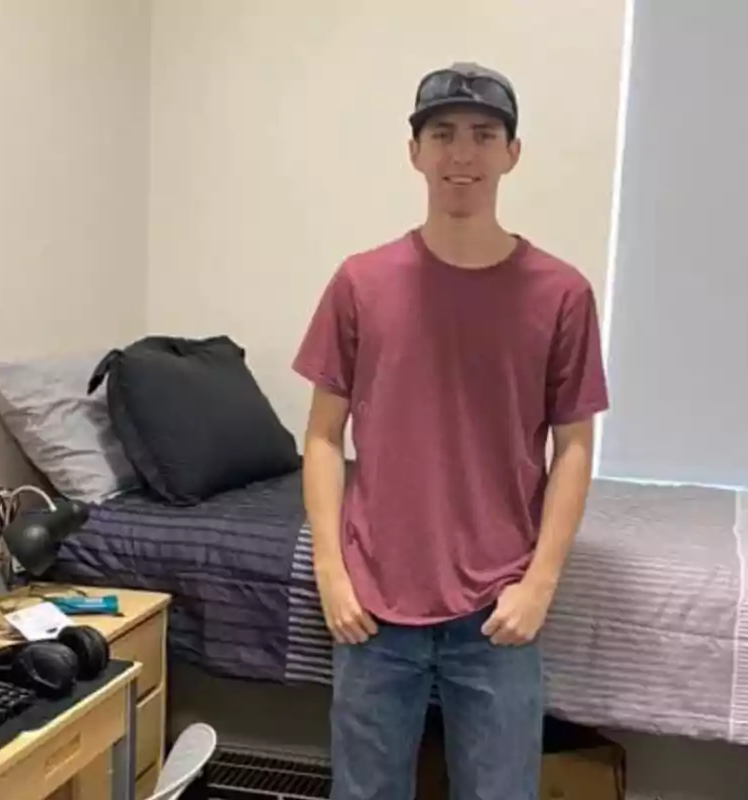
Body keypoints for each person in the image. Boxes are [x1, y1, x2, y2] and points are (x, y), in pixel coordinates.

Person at [292, 61, 610, 800]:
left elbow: (574, 447)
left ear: (511, 152)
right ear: (415, 153)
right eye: (442, 134)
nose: (461, 154)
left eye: (482, 134)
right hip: (372, 607)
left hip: (498, 608)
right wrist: (331, 573)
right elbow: (320, 438)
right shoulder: (361, 283)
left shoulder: (561, 293)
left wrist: (540, 583)